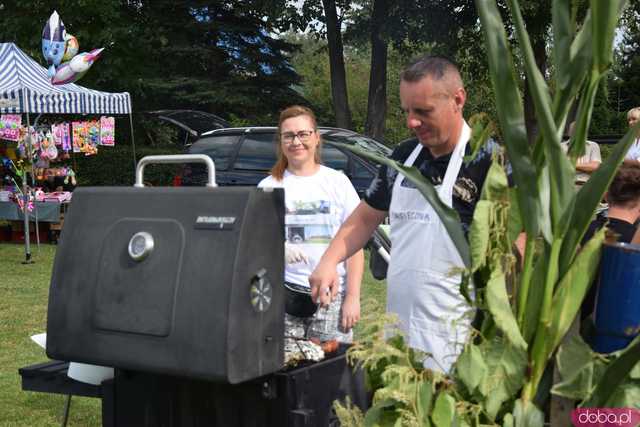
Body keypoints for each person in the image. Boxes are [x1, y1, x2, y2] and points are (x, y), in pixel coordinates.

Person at [309, 55, 496, 373]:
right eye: (407, 111)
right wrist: (329, 260)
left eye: (423, 111)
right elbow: (366, 218)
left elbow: (516, 250)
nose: (411, 122)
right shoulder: (403, 158)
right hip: (400, 334)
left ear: (458, 99)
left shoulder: (488, 163)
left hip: (461, 343)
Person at [258, 105, 364, 344]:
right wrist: (278, 248)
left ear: (316, 138)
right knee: (286, 369)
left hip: (331, 297)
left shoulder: (337, 182)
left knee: (328, 371)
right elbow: (257, 243)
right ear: (281, 142)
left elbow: (353, 245)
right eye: (289, 136)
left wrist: (353, 298)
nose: (296, 141)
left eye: (303, 134)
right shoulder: (268, 185)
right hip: (284, 297)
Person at [581, 162, 640, 320]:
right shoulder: (635, 241)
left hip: (581, 330)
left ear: (606, 196)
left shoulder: (579, 235)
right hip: (624, 331)